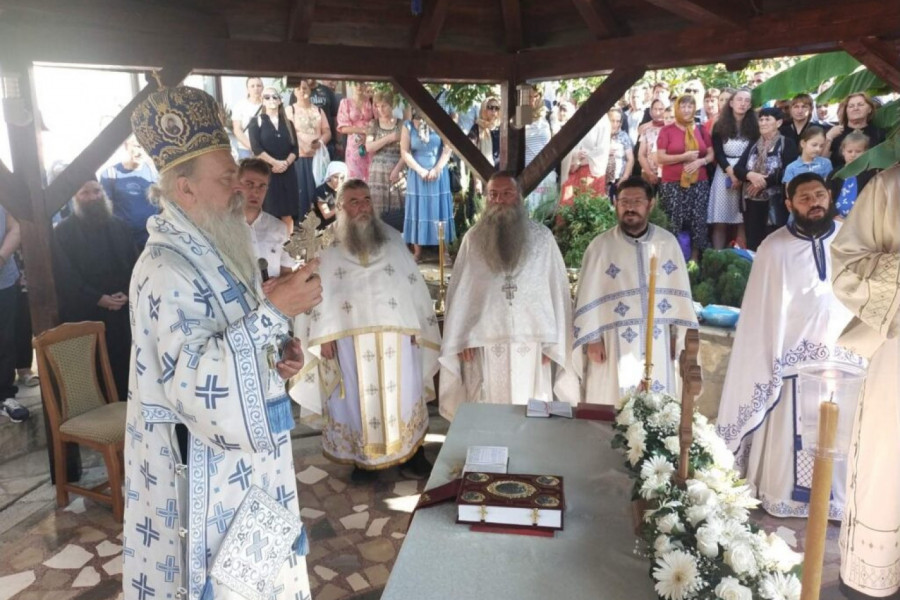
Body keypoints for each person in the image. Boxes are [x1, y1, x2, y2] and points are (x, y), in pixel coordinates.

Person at [124, 85, 320, 600]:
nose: (240, 188)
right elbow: (195, 382)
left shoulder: (219, 243)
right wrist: (275, 311)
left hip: (251, 468)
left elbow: (240, 339)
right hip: (203, 471)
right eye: (226, 178)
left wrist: (278, 354)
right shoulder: (166, 268)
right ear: (184, 190)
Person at [716, 172, 856, 519]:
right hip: (788, 367)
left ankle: (836, 502)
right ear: (790, 204)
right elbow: (761, 316)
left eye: (819, 195)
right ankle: (783, 495)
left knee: (839, 439)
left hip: (842, 363)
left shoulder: (850, 241)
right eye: (805, 198)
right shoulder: (773, 248)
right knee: (790, 439)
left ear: (829, 196)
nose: (815, 203)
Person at [291, 179, 441, 481]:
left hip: (398, 339)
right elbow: (318, 295)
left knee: (405, 397)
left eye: (366, 199)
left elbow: (412, 288)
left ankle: (413, 454)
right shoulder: (328, 249)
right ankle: (362, 461)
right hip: (348, 341)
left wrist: (416, 326)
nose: (362, 206)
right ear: (341, 208)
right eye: (354, 201)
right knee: (358, 401)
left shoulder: (393, 240)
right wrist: (322, 336)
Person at [438, 172, 578, 420]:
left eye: (507, 193)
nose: (499, 200)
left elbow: (557, 294)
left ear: (519, 198)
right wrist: (461, 338)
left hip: (533, 345)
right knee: (488, 411)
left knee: (530, 409)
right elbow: (461, 295)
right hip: (484, 346)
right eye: (493, 195)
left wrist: (553, 343)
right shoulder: (473, 240)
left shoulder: (542, 239)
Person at [830, 164, 900, 598]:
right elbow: (848, 265)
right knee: (886, 465)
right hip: (898, 348)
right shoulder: (890, 186)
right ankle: (877, 580)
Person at [574, 177, 698, 404]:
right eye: (624, 201)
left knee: (657, 409)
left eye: (637, 201)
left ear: (650, 204)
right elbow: (587, 295)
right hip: (611, 343)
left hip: (658, 338)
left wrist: (676, 337)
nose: (630, 207)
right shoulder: (600, 247)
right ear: (615, 203)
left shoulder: (667, 243)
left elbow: (679, 295)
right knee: (610, 406)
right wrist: (592, 340)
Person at [51, 179, 138, 401]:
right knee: (94, 374)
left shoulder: (119, 226)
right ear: (74, 197)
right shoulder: (62, 233)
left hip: (121, 312)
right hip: (86, 313)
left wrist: (127, 291)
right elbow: (64, 276)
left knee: (127, 369)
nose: (93, 198)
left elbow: (136, 264)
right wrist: (98, 299)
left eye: (97, 191)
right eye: (85, 193)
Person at [656, 94, 714, 261]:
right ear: (677, 109)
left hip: (699, 182)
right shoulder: (667, 130)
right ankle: (672, 260)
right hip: (672, 184)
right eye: (683, 106)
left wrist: (700, 162)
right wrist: (684, 157)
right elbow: (660, 157)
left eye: (690, 106)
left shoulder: (701, 129)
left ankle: (694, 261)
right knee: (673, 221)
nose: (687, 110)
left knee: (698, 221)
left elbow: (710, 154)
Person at [734, 107, 799, 251]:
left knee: (774, 241)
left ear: (779, 123)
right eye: (761, 119)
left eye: (767, 119)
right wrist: (751, 175)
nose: (763, 123)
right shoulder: (753, 144)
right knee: (753, 241)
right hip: (751, 201)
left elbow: (789, 170)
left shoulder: (786, 143)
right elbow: (738, 168)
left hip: (775, 202)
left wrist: (763, 183)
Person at [400, 110, 454, 263]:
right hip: (417, 176)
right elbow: (404, 152)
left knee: (439, 211)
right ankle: (417, 251)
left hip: (438, 175)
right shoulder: (408, 125)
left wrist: (437, 169)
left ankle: (443, 252)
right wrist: (420, 170)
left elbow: (447, 148)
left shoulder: (440, 123)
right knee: (418, 210)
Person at [709, 88, 758, 249]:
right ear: (731, 103)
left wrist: (739, 175)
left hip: (745, 172)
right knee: (720, 220)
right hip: (724, 173)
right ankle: (717, 257)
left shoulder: (754, 126)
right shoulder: (719, 125)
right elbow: (719, 153)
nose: (742, 104)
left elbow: (751, 151)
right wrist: (731, 174)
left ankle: (741, 257)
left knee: (742, 220)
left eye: (746, 101)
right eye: (739, 100)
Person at [248, 86, 300, 230]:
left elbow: (295, 149)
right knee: (269, 212)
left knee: (287, 214)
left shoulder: (288, 123)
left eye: (274, 96)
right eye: (267, 97)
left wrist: (285, 163)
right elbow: (256, 148)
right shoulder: (256, 122)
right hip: (267, 172)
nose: (271, 99)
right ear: (262, 101)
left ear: (280, 100)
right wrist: (274, 163)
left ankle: (286, 249)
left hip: (288, 172)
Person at [239, 158, 297, 279]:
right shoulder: (222, 227)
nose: (255, 192)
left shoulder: (279, 228)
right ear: (237, 185)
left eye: (262, 186)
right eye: (249, 184)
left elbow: (286, 273)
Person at [100, 135, 159, 250]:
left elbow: (163, 205)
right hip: (124, 244)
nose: (140, 152)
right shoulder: (110, 175)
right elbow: (105, 213)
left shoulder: (154, 173)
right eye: (137, 146)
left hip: (152, 241)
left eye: (144, 147)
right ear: (126, 145)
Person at [285, 79, 331, 221]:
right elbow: (288, 133)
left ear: (309, 90)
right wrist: (303, 145)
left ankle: (320, 226)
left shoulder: (318, 110)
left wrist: (321, 142)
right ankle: (301, 229)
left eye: (305, 88)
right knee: (300, 194)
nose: (302, 91)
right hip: (299, 160)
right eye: (298, 88)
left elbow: (327, 131)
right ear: (294, 91)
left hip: (317, 159)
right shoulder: (289, 110)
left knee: (317, 193)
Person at [0, 206, 28, 423]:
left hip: (4, 281)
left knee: (5, 340)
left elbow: (15, 227)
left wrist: (1, 257)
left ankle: (4, 397)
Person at [365, 90, 404, 230]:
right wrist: (389, 138)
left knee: (398, 208)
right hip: (378, 172)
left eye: (384, 106)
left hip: (397, 169)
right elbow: (369, 147)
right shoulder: (374, 124)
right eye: (378, 106)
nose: (380, 110)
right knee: (377, 208)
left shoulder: (401, 124)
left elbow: (406, 150)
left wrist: (398, 169)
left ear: (392, 105)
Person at [559, 112, 611, 207]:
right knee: (567, 205)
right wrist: (574, 155)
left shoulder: (603, 121)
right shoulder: (578, 114)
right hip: (572, 167)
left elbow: (602, 150)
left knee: (588, 207)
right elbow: (568, 142)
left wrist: (580, 161)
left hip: (591, 170)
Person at [826, 92, 885, 170]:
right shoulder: (836, 132)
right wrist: (829, 138)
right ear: (846, 110)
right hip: (839, 178)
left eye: (860, 105)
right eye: (851, 106)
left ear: (870, 109)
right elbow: (822, 161)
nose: (855, 108)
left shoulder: (879, 133)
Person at [523, 85, 558, 213]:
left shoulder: (548, 115)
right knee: (529, 213)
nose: (532, 100)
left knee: (546, 212)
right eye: (529, 97)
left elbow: (557, 140)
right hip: (527, 172)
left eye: (535, 96)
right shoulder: (523, 114)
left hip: (545, 172)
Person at [828, 131, 874, 219]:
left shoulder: (870, 173)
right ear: (843, 152)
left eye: (858, 151)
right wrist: (835, 215)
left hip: (860, 219)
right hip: (836, 219)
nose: (853, 155)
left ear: (865, 153)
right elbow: (828, 197)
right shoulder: (835, 174)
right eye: (849, 151)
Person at [337, 82, 375, 180]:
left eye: (362, 84)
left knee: (370, 175)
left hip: (370, 142)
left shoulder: (370, 101)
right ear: (351, 85)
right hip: (354, 145)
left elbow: (377, 120)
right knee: (355, 177)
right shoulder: (346, 102)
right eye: (356, 84)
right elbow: (343, 128)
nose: (359, 86)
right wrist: (362, 130)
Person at [230, 76, 264, 159]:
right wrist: (253, 147)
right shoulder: (240, 106)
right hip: (245, 150)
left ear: (263, 88)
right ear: (247, 89)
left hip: (266, 150)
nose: (256, 88)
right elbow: (237, 130)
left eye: (258, 86)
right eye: (252, 86)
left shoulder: (268, 105)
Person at [606, 107, 634, 200]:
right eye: (612, 120)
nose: (615, 124)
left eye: (618, 121)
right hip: (601, 178)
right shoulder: (601, 135)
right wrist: (604, 152)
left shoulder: (624, 136)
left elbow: (630, 159)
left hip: (618, 179)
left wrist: (625, 177)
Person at [307, 78, 339, 159]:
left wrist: (338, 141)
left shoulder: (327, 91)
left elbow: (335, 116)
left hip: (327, 142)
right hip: (306, 144)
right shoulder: (297, 93)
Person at [637, 99, 666, 187]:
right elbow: (641, 155)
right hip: (648, 173)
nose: (658, 112)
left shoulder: (670, 129)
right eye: (655, 109)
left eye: (661, 109)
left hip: (666, 174)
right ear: (651, 111)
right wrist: (650, 173)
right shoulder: (647, 129)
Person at [313, 161, 347, 229]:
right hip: (325, 229)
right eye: (335, 177)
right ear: (330, 176)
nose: (339, 181)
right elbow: (326, 215)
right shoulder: (321, 191)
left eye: (342, 178)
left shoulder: (344, 189)